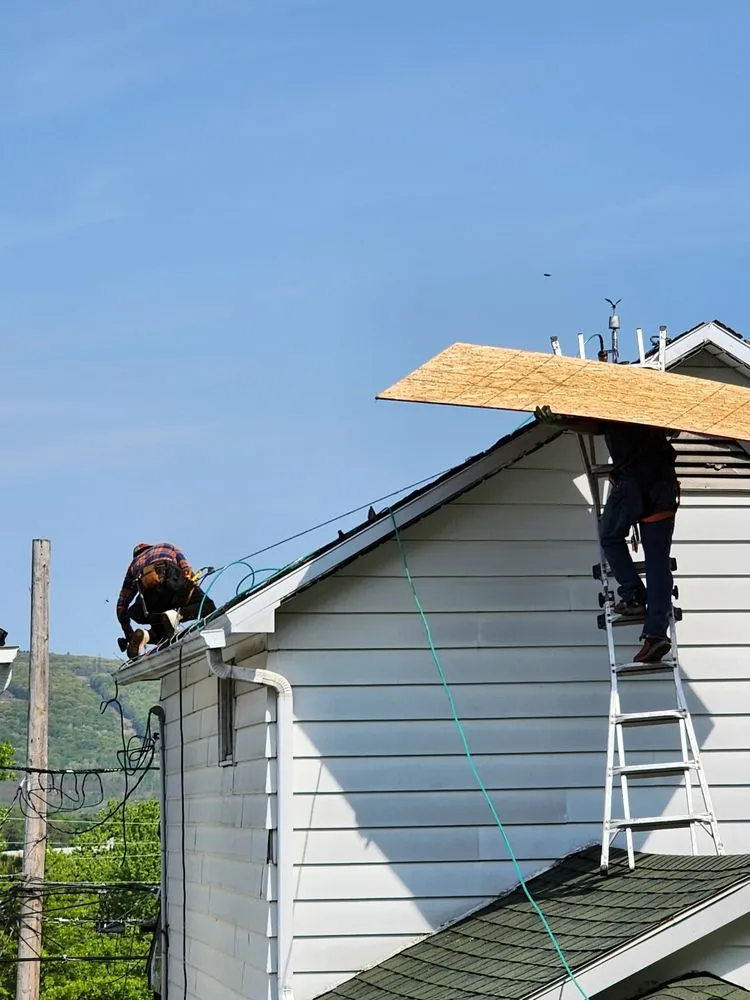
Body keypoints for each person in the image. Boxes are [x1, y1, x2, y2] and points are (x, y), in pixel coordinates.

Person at [535, 407, 679, 664]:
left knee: (611, 538)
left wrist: (562, 422)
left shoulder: (615, 403)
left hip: (633, 483)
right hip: (663, 483)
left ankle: (633, 595)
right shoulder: (655, 404)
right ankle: (656, 634)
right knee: (658, 563)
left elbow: (595, 425)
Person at [117, 542, 216, 658]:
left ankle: (146, 635)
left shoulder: (133, 565)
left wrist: (129, 635)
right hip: (171, 581)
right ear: (150, 547)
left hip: (150, 600)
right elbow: (186, 570)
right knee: (207, 606)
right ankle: (178, 615)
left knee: (162, 630)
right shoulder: (166, 546)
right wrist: (192, 587)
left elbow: (122, 605)